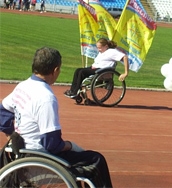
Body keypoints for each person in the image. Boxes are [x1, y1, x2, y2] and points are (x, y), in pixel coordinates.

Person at [0, 47, 113, 187]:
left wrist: (11, 135)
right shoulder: (46, 97)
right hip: (39, 157)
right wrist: (71, 145)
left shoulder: (23, 86)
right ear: (55, 70)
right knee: (96, 159)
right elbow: (51, 144)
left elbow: (3, 111)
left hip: (21, 151)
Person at [64, 38, 129, 98]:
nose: (98, 50)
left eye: (100, 48)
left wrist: (126, 73)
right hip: (95, 68)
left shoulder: (112, 52)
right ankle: (72, 90)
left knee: (81, 72)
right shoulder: (102, 52)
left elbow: (124, 57)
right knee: (78, 70)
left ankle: (75, 92)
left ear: (106, 46)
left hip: (102, 70)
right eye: (97, 47)